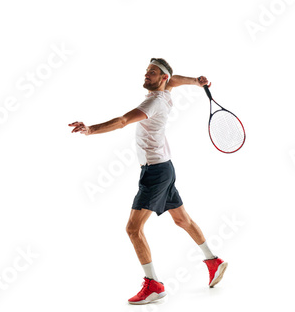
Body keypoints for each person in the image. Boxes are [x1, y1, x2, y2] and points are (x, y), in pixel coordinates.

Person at [69, 58, 228, 305]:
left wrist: (90, 129)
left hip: (155, 173)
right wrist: (195, 82)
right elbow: (173, 80)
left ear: (161, 78)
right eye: (146, 71)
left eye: (152, 73)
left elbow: (122, 121)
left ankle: (153, 284)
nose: (146, 75)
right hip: (165, 168)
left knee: (133, 229)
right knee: (182, 220)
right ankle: (213, 260)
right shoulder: (165, 93)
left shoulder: (154, 101)